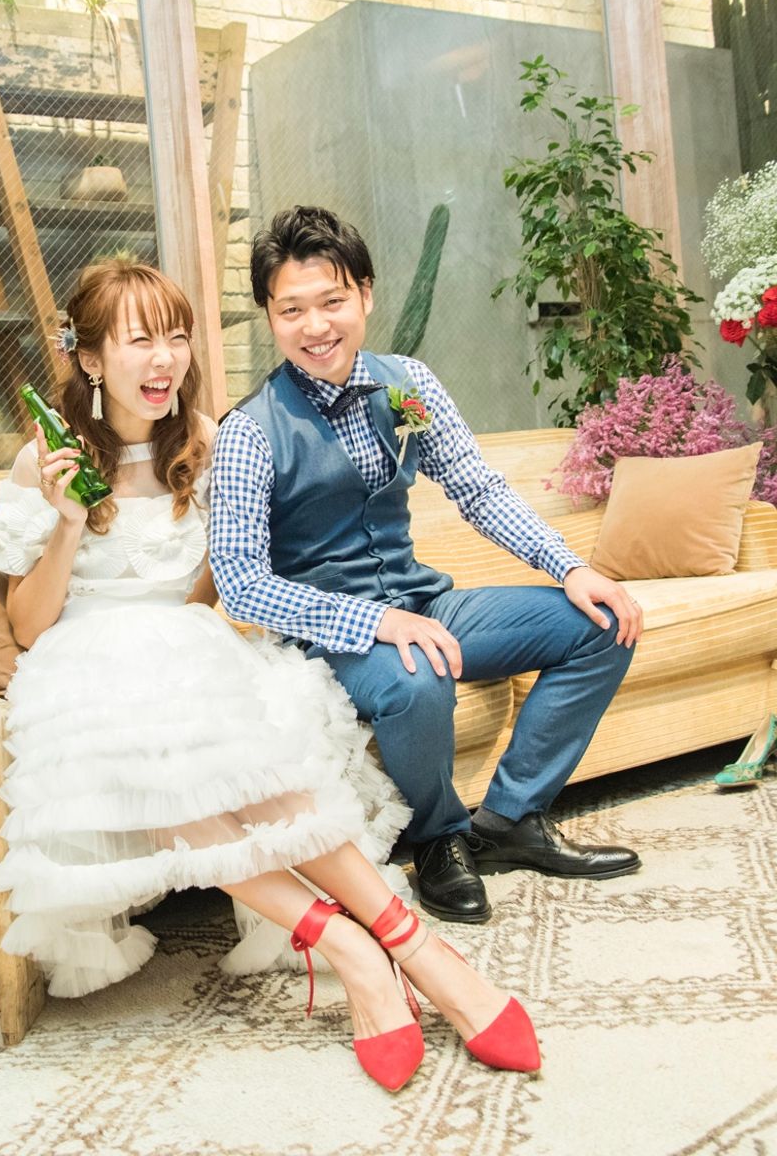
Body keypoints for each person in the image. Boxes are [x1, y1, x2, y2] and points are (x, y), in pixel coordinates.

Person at [0, 258, 540, 1091]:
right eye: (140, 341)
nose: (165, 359)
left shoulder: (211, 442)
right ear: (91, 358)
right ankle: (352, 946)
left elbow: (218, 589)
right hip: (83, 663)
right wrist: (67, 522)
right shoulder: (46, 461)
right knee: (160, 768)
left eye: (177, 337)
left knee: (263, 768)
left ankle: (414, 946)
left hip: (188, 642)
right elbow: (27, 626)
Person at [210, 206, 644, 927]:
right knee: (418, 677)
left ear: (366, 295)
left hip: (423, 602)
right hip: (331, 638)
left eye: (332, 301)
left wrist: (570, 567)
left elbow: (476, 489)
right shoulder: (250, 432)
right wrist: (375, 622)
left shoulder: (404, 386)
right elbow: (241, 584)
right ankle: (440, 839)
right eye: (291, 310)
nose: (315, 326)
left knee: (602, 623)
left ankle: (511, 818)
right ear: (270, 316)